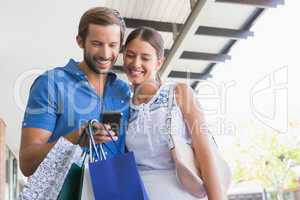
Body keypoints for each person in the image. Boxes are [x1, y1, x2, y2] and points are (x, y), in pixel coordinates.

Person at [19, 7, 130, 177]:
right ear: (80, 41)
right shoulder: (51, 84)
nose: (106, 54)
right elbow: (27, 164)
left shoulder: (123, 91)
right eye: (96, 44)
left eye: (113, 45)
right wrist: (75, 139)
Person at [123, 26, 223, 199]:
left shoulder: (178, 92)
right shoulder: (124, 107)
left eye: (145, 58)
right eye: (130, 55)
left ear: (159, 62)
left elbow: (204, 151)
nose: (136, 63)